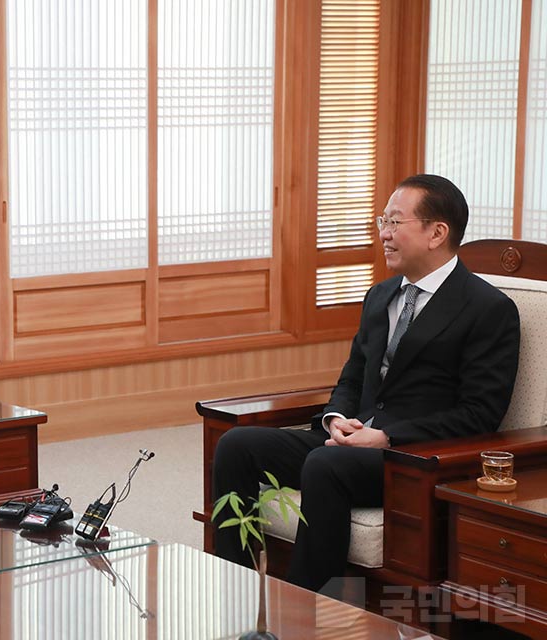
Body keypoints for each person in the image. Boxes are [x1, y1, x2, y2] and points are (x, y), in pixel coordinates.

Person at [212, 174, 521, 592]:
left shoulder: (488, 308)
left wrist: (388, 437)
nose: (384, 234)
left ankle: (312, 607)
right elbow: (353, 376)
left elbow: (480, 414)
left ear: (437, 233)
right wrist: (336, 418)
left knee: (325, 465)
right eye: (382, 221)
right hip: (352, 440)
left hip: (413, 457)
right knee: (237, 445)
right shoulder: (381, 296)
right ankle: (234, 587)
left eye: (395, 222)